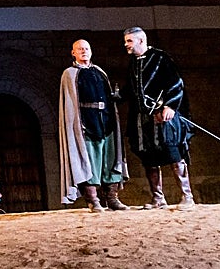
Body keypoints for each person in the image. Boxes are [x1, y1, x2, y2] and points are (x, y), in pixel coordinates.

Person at [122, 26, 196, 209]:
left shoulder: (161, 58)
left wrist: (170, 105)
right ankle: (158, 198)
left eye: (129, 41)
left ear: (140, 41)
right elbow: (130, 90)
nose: (126, 45)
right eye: (126, 41)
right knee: (149, 157)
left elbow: (176, 83)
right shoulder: (133, 63)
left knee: (173, 153)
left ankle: (187, 197)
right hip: (142, 118)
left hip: (162, 116)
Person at [59, 38, 129, 212]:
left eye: (87, 48)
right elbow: (70, 103)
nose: (84, 51)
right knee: (89, 161)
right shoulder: (70, 73)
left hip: (106, 120)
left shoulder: (99, 71)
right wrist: (77, 124)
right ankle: (93, 200)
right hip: (86, 123)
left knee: (110, 159)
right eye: (80, 49)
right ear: (73, 53)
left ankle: (112, 198)